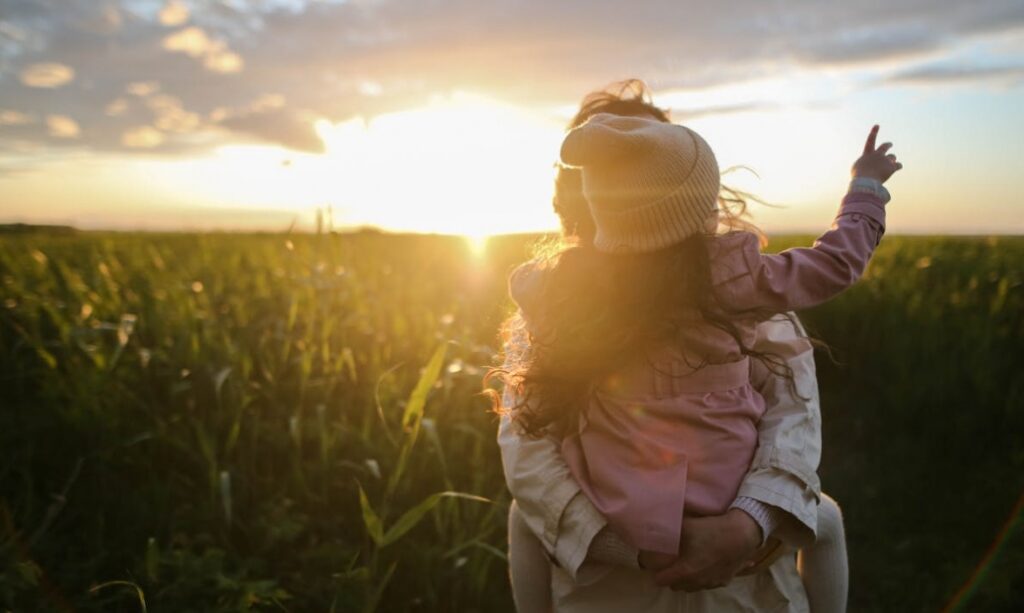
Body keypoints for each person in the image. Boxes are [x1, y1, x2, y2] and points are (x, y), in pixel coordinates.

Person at [494, 80, 900, 612]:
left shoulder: (560, 292)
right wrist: (864, 191)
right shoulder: (737, 282)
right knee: (825, 517)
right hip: (617, 573)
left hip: (722, 564)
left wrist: (744, 526)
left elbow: (792, 419)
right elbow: (529, 447)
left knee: (523, 520)